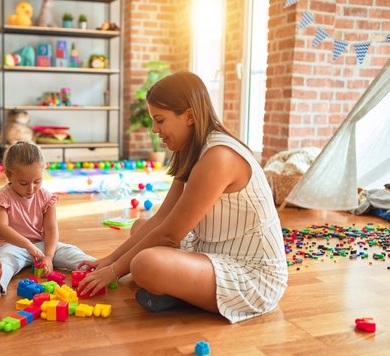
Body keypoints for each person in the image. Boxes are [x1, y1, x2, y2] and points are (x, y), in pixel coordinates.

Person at [78, 72, 288, 323]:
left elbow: (170, 235)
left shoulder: (218, 157)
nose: (155, 129)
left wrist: (113, 272)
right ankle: (175, 291)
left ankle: (176, 293)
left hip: (252, 275)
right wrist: (109, 260)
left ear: (189, 115)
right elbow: (162, 218)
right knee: (141, 227)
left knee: (145, 263)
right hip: (210, 251)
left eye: (160, 120)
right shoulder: (190, 149)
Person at [0, 141, 95, 302]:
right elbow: (1, 228)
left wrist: (48, 256)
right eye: (23, 183)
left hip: (42, 244)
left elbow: (51, 229)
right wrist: (28, 246)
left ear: (45, 169)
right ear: (8, 175)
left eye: (37, 181)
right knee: (5, 263)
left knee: (70, 251)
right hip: (11, 246)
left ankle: (98, 268)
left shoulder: (46, 197)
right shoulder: (2, 197)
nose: (31, 189)